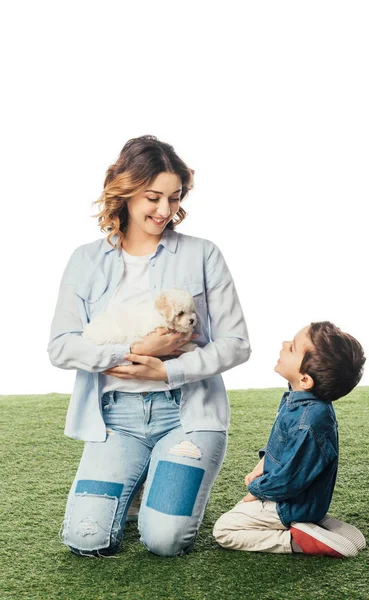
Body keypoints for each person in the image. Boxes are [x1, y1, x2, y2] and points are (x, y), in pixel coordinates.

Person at [48, 135, 251, 557]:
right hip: (115, 419)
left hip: (186, 414)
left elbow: (236, 344)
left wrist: (167, 370)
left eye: (174, 198)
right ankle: (144, 477)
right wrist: (137, 351)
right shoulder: (86, 260)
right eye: (153, 197)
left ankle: (170, 479)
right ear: (125, 191)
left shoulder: (203, 254)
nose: (165, 210)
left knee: (164, 540)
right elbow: (62, 347)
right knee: (86, 538)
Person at [213, 321, 366, 558]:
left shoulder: (309, 421)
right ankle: (318, 522)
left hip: (289, 503)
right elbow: (282, 445)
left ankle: (297, 539)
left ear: (305, 379)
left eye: (292, 348)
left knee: (224, 529)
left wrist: (255, 490)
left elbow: (289, 480)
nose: (284, 345)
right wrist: (260, 467)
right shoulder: (301, 400)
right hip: (301, 500)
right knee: (242, 511)